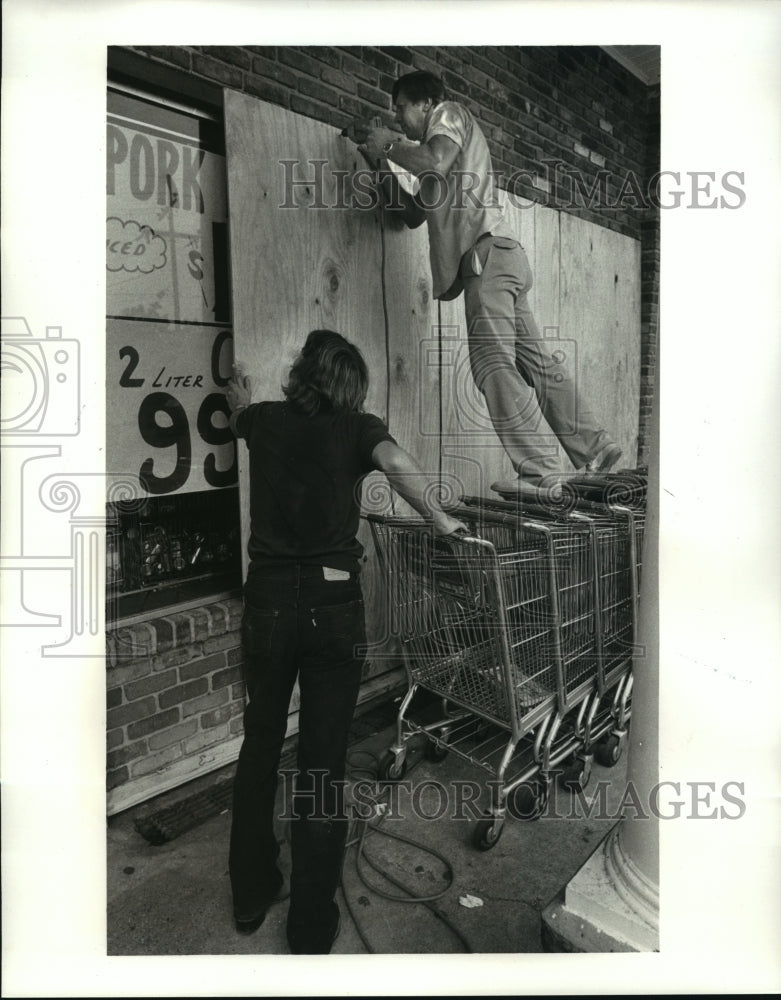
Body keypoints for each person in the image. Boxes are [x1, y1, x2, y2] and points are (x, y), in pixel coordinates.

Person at [225, 329, 466, 955]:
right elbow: (396, 463)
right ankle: (310, 922)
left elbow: (238, 413)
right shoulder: (360, 428)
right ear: (350, 384)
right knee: (323, 759)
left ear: (303, 374)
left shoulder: (266, 420)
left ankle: (250, 893)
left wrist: (240, 389)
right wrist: (441, 521)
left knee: (260, 743)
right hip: (333, 604)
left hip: (269, 603)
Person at [351, 70, 622, 497]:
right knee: (536, 364)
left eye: (401, 108)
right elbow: (412, 215)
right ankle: (594, 447)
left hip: (488, 260)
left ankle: (541, 470)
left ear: (426, 104)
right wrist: (379, 162)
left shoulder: (450, 114)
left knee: (492, 365)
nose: (399, 118)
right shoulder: (434, 163)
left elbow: (433, 158)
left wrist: (386, 142)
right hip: (504, 258)